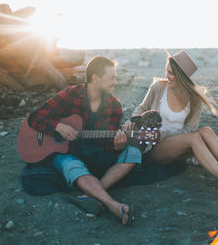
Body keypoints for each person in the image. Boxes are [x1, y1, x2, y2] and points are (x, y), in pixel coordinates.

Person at [123, 50, 218, 200]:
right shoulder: (158, 88)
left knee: (206, 131)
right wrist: (132, 120)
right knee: (195, 138)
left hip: (178, 144)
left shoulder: (194, 98)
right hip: (155, 144)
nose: (167, 76)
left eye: (172, 74)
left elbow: (190, 129)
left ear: (183, 77)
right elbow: (142, 108)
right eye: (167, 71)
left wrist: (169, 135)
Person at [28, 56, 139, 225]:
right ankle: (115, 206)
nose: (115, 82)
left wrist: (118, 145)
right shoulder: (71, 94)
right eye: (112, 78)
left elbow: (108, 144)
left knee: (133, 152)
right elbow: (35, 118)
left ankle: (88, 195)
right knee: (71, 165)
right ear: (96, 78)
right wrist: (58, 126)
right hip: (67, 152)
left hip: (95, 153)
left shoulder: (114, 105)